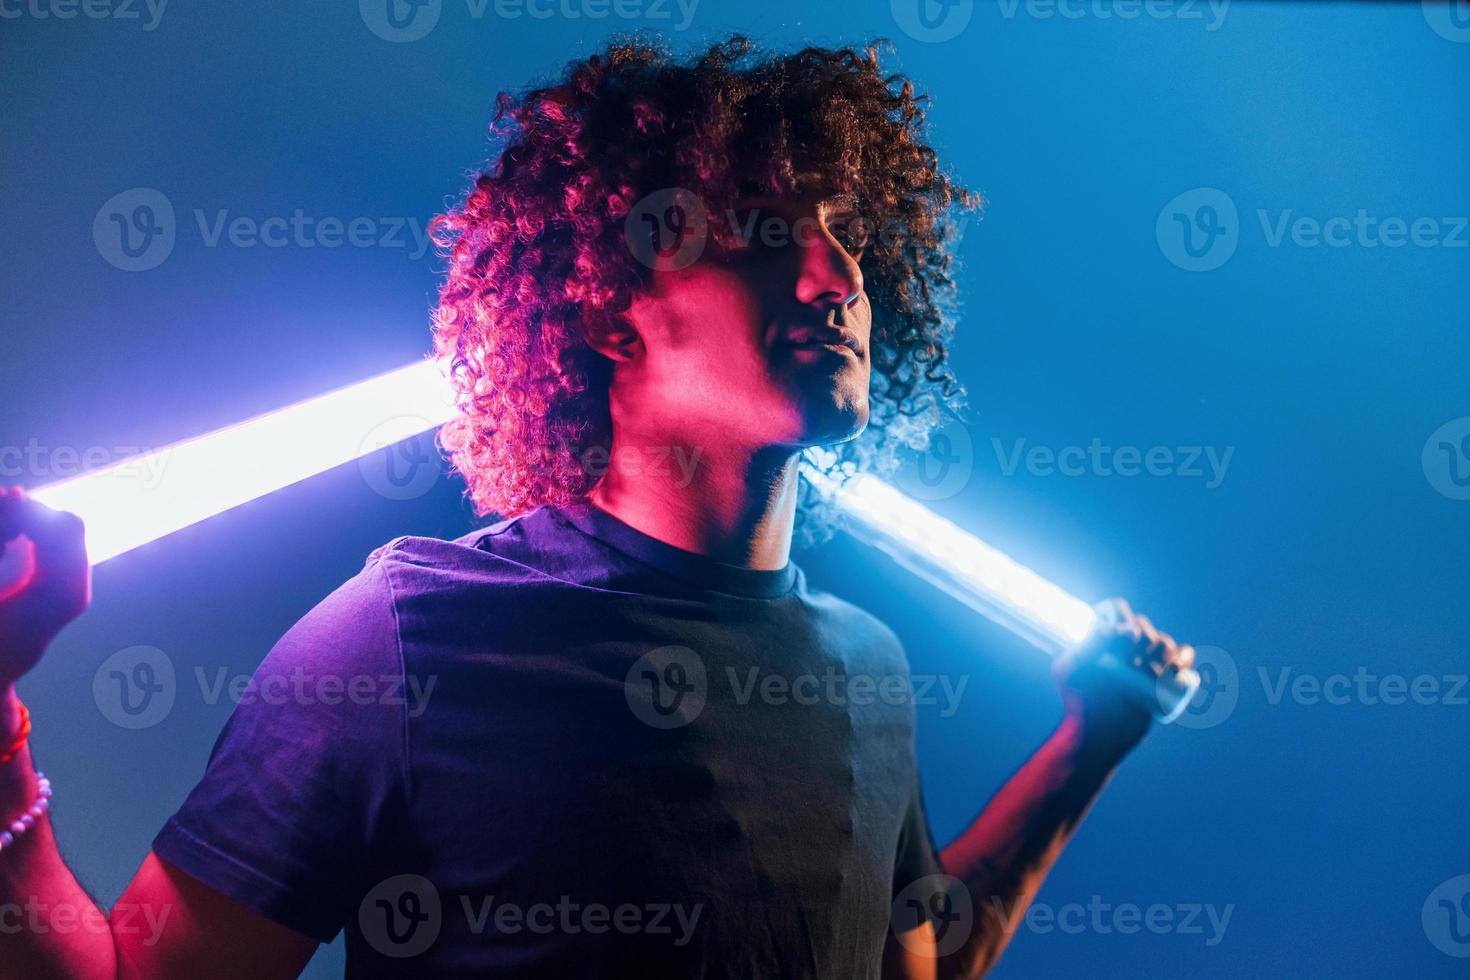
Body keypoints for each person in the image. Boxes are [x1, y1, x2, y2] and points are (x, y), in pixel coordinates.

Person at [0, 36, 1194, 979]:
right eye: (764, 235)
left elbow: (914, 966)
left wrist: (1095, 740)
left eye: (842, 234)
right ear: (607, 308)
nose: (837, 277)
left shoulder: (866, 670)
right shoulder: (406, 638)